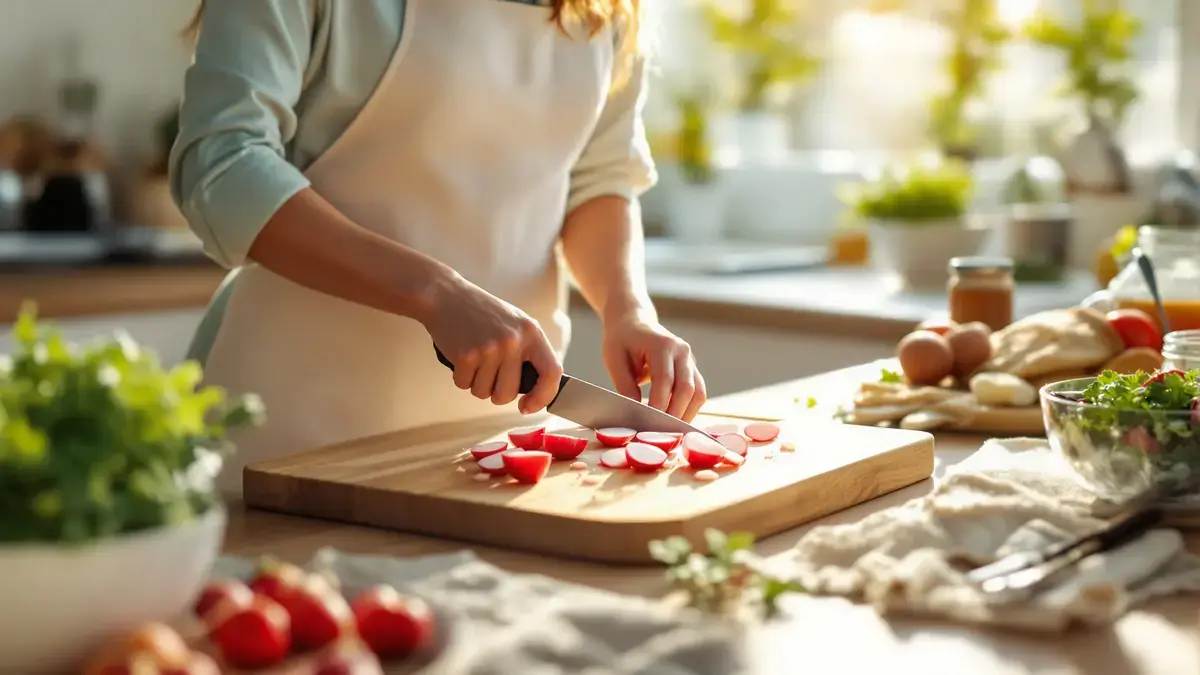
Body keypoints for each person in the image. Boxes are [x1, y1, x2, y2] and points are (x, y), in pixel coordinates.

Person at [171, 0, 707, 491]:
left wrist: (627, 309)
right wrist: (437, 292)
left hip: (495, 441)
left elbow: (598, 179)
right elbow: (223, 165)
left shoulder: (608, 7)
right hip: (284, 438)